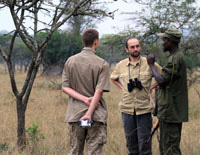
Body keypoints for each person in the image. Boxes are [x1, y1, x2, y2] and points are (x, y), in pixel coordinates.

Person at [62, 28, 110, 155]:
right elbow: (99, 92)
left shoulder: (70, 61)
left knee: (75, 151)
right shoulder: (102, 64)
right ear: (96, 42)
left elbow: (65, 87)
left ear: (83, 41)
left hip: (75, 114)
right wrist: (89, 114)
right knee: (94, 151)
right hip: (95, 115)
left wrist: (83, 99)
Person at [110, 38, 161, 155]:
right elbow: (113, 78)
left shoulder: (149, 63)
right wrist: (123, 87)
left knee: (145, 145)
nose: (136, 49)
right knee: (131, 145)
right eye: (132, 47)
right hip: (127, 109)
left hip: (144, 109)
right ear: (127, 49)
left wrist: (151, 88)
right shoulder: (120, 65)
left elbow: (162, 77)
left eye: (137, 46)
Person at [147, 28, 188, 155]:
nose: (162, 43)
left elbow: (161, 80)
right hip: (168, 111)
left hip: (171, 112)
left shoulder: (175, 59)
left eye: (164, 40)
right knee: (165, 147)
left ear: (171, 41)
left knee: (170, 148)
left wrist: (152, 65)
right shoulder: (174, 57)